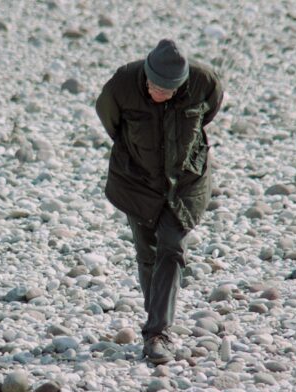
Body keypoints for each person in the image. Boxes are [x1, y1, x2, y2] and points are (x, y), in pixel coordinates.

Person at [95, 39, 224, 364]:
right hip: (137, 179)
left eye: (169, 90)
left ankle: (157, 333)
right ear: (146, 75)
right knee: (146, 253)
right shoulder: (123, 83)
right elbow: (110, 121)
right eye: (155, 87)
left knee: (171, 247)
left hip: (186, 180)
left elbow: (210, 112)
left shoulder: (203, 81)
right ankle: (157, 319)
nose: (160, 93)